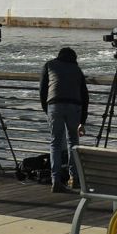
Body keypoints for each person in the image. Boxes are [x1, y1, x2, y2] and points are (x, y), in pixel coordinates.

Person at [40, 47, 90, 193]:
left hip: (54, 105)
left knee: (55, 142)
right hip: (75, 106)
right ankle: (74, 178)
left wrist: (47, 109)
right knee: (73, 142)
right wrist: (83, 121)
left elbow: (43, 90)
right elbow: (85, 96)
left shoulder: (49, 65)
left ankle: (55, 180)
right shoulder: (77, 69)